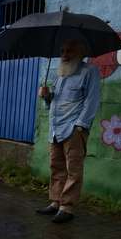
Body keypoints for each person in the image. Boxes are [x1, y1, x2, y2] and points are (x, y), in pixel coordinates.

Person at [37, 38, 101, 224]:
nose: (65, 55)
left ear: (80, 53)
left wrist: (80, 126)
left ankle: (67, 207)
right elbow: (53, 104)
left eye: (70, 51)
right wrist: (47, 96)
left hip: (74, 128)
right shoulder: (60, 74)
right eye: (62, 51)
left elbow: (92, 100)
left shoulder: (89, 71)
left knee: (73, 169)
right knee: (56, 166)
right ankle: (55, 202)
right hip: (56, 128)